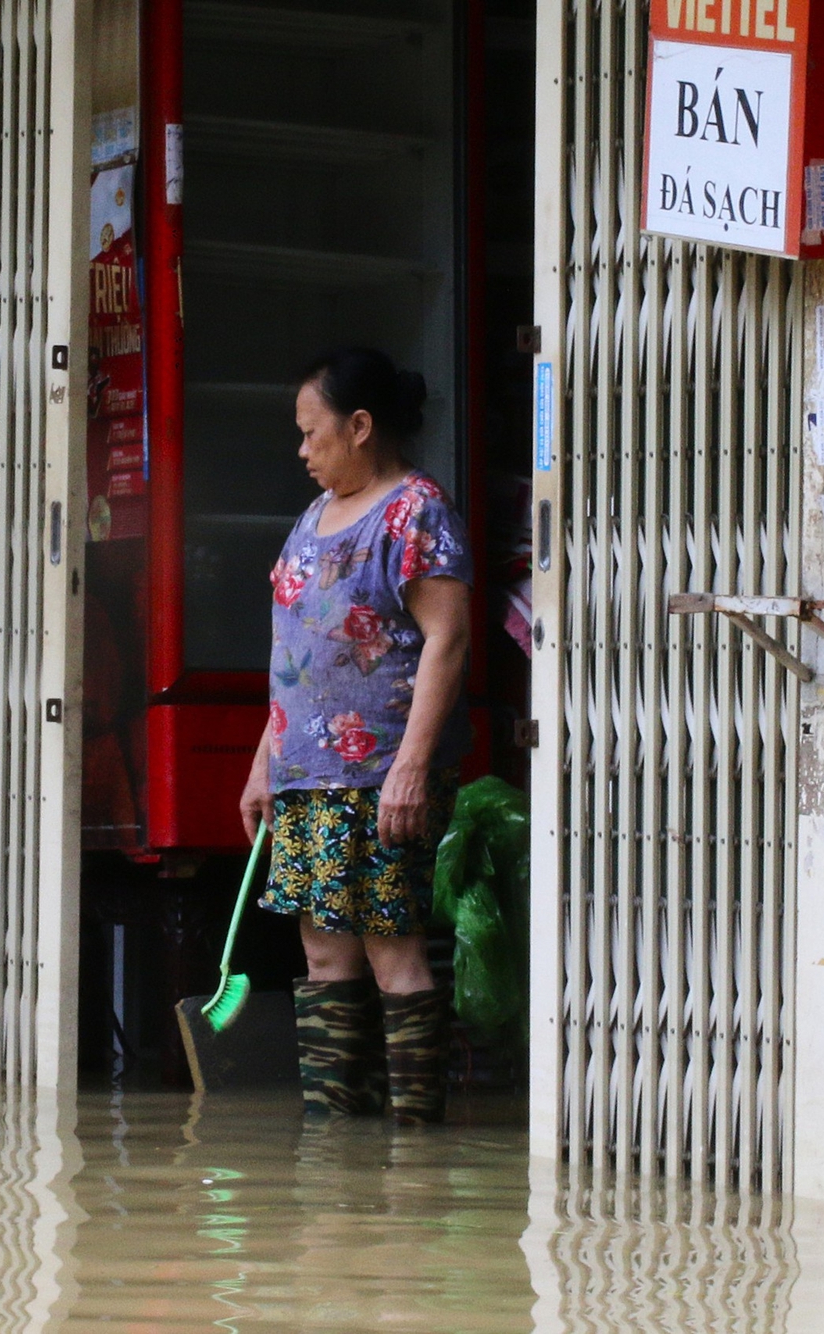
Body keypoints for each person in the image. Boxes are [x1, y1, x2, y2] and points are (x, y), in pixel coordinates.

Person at [238, 346, 472, 1124]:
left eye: (313, 433)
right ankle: (338, 1141)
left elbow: (448, 639)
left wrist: (411, 767)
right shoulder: (313, 517)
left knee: (389, 948)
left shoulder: (415, 511)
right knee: (323, 955)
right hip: (306, 775)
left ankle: (415, 1146)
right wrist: (263, 765)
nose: (302, 451)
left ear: (362, 426)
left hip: (377, 777)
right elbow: (294, 653)